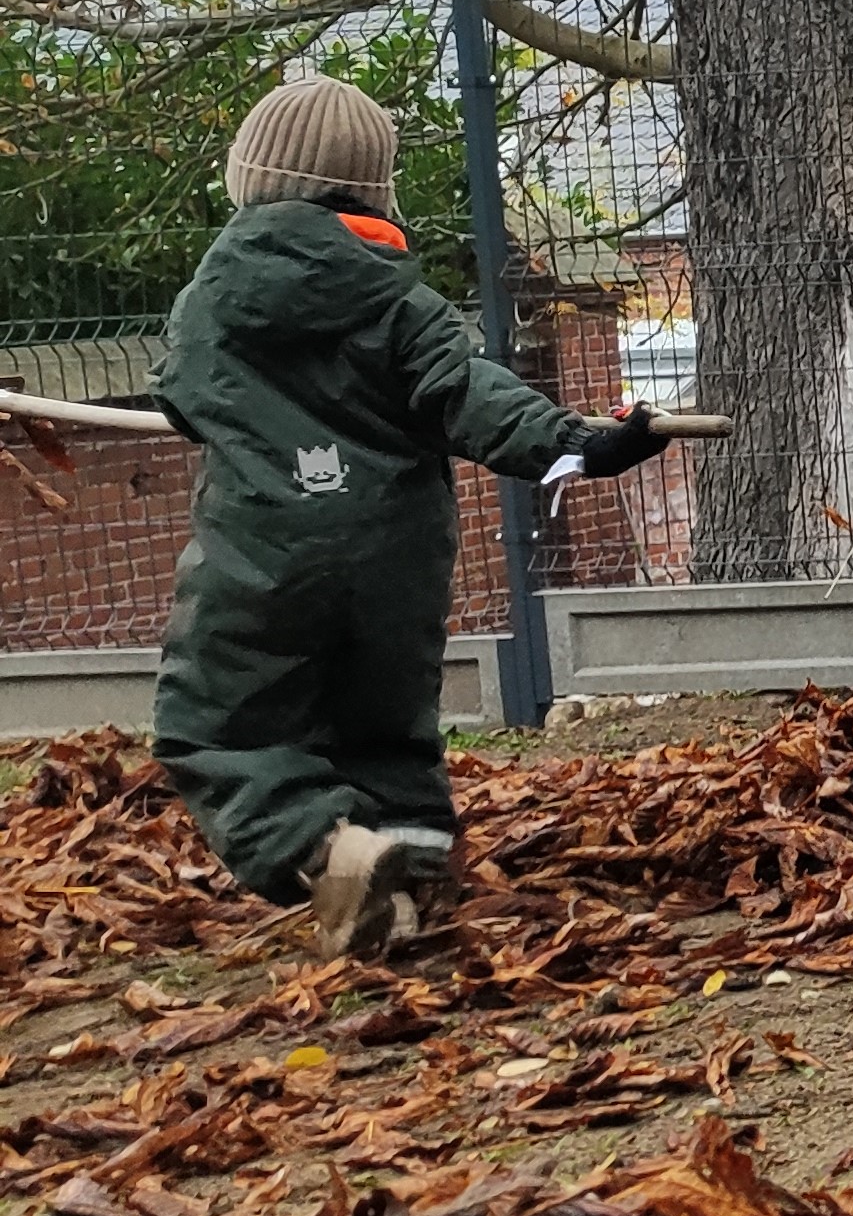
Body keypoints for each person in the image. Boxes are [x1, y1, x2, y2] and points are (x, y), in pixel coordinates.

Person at [149, 76, 674, 961]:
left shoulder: (213, 297)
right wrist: (579, 443)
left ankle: (330, 852)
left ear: (251, 180)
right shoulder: (399, 300)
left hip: (263, 554)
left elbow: (183, 396)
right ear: (375, 194)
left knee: (219, 728)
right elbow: (468, 393)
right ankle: (410, 888)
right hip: (396, 559)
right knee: (383, 725)